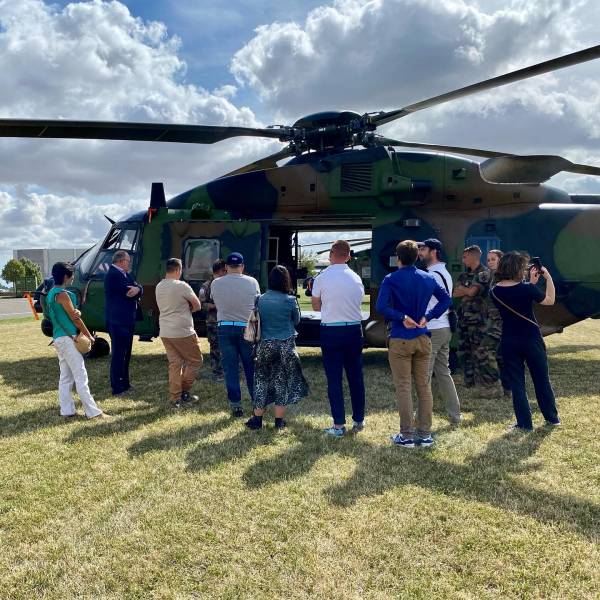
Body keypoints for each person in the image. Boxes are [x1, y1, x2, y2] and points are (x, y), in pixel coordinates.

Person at [377, 240, 451, 448]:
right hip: (422, 336)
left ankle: (407, 435)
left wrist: (401, 317)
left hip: (401, 336)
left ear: (397, 258)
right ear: (417, 256)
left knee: (403, 387)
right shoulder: (428, 277)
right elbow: (446, 300)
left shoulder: (391, 278)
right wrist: (429, 316)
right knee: (424, 387)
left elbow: (381, 306)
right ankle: (425, 434)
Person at [491, 252, 560, 431]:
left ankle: (524, 424)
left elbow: (515, 295)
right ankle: (552, 418)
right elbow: (549, 301)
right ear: (517, 269)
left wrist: (531, 283)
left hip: (509, 340)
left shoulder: (494, 291)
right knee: (541, 379)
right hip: (531, 339)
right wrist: (548, 277)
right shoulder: (527, 289)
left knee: (517, 383)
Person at [311, 240, 366, 436]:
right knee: (355, 377)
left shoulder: (322, 277)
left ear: (331, 255)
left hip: (331, 331)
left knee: (334, 379)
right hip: (353, 330)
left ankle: (338, 425)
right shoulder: (356, 278)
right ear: (349, 256)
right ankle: (359, 420)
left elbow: (316, 306)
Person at [245, 265, 309, 430]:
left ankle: (257, 420)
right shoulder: (290, 300)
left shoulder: (260, 299)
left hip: (265, 344)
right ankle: (279, 421)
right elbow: (297, 321)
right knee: (282, 382)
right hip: (286, 346)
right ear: (286, 281)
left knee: (261, 380)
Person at [46, 262, 105, 419]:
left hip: (58, 338)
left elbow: (63, 314)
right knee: (81, 376)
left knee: (65, 377)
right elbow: (76, 320)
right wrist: (90, 336)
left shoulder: (52, 293)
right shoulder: (64, 294)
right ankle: (93, 412)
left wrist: (74, 311)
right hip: (68, 338)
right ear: (66, 276)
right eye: (71, 275)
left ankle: (67, 410)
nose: (72, 279)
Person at [418, 238, 462, 425]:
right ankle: (455, 415)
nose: (420, 252)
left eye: (423, 249)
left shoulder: (432, 275)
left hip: (433, 329)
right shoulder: (444, 272)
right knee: (444, 373)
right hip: (444, 328)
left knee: (424, 376)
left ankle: (421, 419)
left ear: (433, 251)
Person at [210, 252, 260, 417]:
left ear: (226, 267)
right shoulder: (252, 282)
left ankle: (235, 405)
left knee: (230, 368)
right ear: (242, 266)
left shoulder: (216, 283)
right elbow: (256, 304)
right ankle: (256, 403)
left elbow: (215, 302)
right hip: (247, 327)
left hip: (224, 327)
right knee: (250, 367)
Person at [155, 258, 203, 409]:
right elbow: (197, 305)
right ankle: (184, 391)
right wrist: (189, 310)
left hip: (165, 330)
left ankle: (175, 398)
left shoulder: (159, 286)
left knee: (175, 364)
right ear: (178, 270)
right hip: (182, 330)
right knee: (195, 361)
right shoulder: (182, 285)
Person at [453, 245, 500, 396]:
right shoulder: (464, 275)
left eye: (465, 257)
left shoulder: (484, 273)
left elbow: (472, 292)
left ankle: (487, 384)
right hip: (464, 319)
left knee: (479, 353)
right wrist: (466, 292)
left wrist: (465, 291)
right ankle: (469, 382)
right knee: (463, 351)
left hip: (478, 321)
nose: (462, 260)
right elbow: (454, 293)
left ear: (474, 257)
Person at [104, 250, 143, 396]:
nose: (129, 263)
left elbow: (138, 287)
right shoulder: (114, 275)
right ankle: (117, 387)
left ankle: (125, 383)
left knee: (126, 354)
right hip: (118, 321)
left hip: (127, 320)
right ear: (121, 261)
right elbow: (128, 291)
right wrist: (137, 289)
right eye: (128, 260)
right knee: (119, 354)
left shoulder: (125, 274)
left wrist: (138, 289)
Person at [486, 249, 511, 396]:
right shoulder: (491, 277)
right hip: (493, 321)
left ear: (500, 260)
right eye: (488, 260)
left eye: (493, 259)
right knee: (497, 354)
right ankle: (504, 386)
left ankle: (507, 387)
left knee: (502, 354)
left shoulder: (505, 278)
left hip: (503, 322)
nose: (489, 262)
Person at [198, 259, 227, 381]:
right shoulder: (206, 286)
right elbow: (201, 304)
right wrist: (215, 305)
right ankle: (217, 373)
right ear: (220, 271)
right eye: (225, 271)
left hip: (225, 320)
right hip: (213, 321)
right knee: (215, 348)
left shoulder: (226, 284)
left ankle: (225, 371)